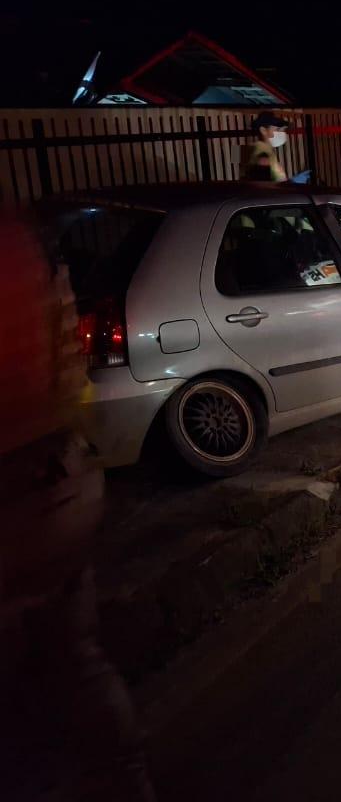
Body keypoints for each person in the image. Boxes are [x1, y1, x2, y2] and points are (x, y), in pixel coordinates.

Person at [0, 212, 156, 801]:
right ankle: (125, 781)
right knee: (76, 662)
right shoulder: (27, 242)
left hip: (15, 491)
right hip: (62, 474)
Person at [239, 110, 290, 181]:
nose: (282, 133)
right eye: (278, 129)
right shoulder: (262, 154)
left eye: (283, 130)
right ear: (263, 130)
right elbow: (264, 184)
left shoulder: (263, 150)